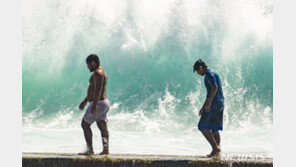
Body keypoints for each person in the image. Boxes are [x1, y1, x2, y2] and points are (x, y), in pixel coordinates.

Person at [78, 54, 110, 155]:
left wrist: (94, 105)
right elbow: (93, 89)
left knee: (85, 124)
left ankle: (90, 150)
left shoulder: (98, 73)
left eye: (88, 65)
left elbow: (98, 90)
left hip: (99, 103)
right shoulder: (101, 72)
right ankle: (105, 150)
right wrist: (85, 101)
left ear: (93, 62)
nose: (88, 67)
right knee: (102, 126)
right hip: (103, 103)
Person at [193, 59, 224, 157]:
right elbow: (210, 91)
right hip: (220, 103)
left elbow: (214, 87)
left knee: (202, 126)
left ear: (201, 68)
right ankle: (217, 152)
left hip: (214, 104)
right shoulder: (214, 72)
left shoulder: (208, 74)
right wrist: (203, 106)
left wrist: (209, 102)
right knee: (214, 128)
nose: (198, 73)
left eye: (197, 71)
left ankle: (215, 148)